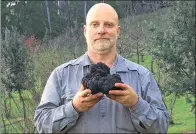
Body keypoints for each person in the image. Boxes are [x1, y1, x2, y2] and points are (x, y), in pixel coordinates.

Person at [34, 3, 170, 133]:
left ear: (118, 31)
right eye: (95, 24)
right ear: (85, 31)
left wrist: (136, 104)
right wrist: (73, 107)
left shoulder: (142, 76)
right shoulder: (60, 75)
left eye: (108, 25)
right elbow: (42, 124)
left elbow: (162, 127)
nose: (101, 30)